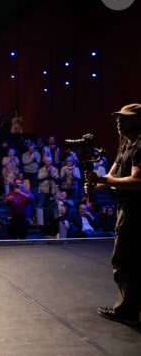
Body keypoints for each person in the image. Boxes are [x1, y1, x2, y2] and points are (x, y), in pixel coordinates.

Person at [87, 103, 141, 326]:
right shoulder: (125, 145)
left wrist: (105, 181)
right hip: (125, 207)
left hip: (135, 209)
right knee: (132, 259)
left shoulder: (140, 146)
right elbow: (110, 175)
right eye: (118, 118)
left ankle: (126, 310)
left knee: (123, 259)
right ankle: (131, 305)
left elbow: (137, 181)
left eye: (124, 119)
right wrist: (94, 183)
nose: (119, 122)